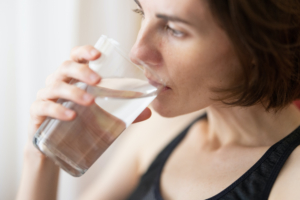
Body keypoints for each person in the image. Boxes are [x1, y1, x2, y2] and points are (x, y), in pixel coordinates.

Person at [16, 0, 300, 199]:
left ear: (258, 43)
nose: (137, 51)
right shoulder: (161, 130)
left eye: (175, 29)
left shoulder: (292, 180)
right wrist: (40, 156)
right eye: (142, 12)